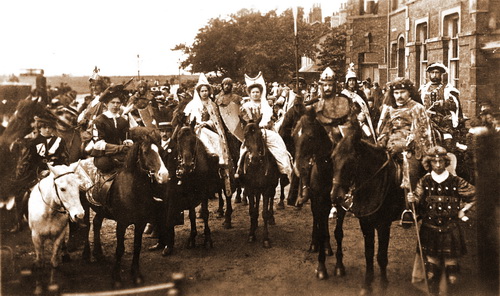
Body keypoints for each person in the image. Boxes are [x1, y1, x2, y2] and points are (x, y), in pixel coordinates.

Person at [407, 146, 475, 295]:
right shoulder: (424, 181)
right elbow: (417, 201)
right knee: (431, 272)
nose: (438, 165)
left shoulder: (456, 181)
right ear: (428, 163)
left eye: (441, 162)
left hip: (451, 229)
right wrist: (412, 199)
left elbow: (475, 195)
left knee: (452, 276)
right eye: (434, 162)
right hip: (429, 229)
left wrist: (464, 210)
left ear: (446, 162)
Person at [236, 73, 293, 184]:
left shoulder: (266, 105)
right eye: (253, 92)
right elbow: (246, 120)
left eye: (257, 92)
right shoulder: (245, 106)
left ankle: (284, 170)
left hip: (266, 131)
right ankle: (240, 171)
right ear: (249, 94)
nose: (255, 94)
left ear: (261, 93)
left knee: (279, 149)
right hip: (252, 133)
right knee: (243, 151)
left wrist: (267, 124)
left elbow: (271, 118)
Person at [377, 78, 433, 191]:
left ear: (409, 92)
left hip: (410, 148)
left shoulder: (417, 108)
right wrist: (382, 140)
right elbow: (385, 129)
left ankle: (410, 203)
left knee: (411, 171)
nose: (399, 96)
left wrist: (406, 144)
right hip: (390, 146)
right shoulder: (390, 109)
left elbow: (421, 133)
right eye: (396, 93)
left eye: (402, 92)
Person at [183, 73, 234, 196]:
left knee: (217, 139)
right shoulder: (192, 105)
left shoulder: (212, 104)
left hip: (208, 129)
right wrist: (195, 125)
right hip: (195, 129)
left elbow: (216, 120)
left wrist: (206, 123)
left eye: (206, 90)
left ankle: (218, 161)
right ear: (199, 92)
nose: (204, 93)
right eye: (202, 91)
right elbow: (188, 120)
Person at [16, 114, 69, 189]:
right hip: (37, 174)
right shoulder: (33, 143)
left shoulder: (60, 141)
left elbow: (64, 160)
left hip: (56, 173)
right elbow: (29, 162)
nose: (47, 130)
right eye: (44, 127)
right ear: (39, 128)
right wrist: (40, 171)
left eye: (49, 127)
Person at [90, 84, 133, 175]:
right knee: (106, 164)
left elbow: (126, 137)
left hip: (120, 153)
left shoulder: (122, 120)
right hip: (103, 155)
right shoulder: (99, 120)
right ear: (106, 104)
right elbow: (98, 144)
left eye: (118, 103)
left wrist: (128, 142)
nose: (115, 105)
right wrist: (118, 148)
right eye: (112, 103)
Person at [419, 62, 463, 146]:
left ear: (441, 74)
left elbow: (456, 106)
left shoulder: (448, 89)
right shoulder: (423, 89)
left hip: (443, 121)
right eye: (432, 73)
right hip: (426, 119)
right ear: (429, 74)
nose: (434, 75)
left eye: (437, 73)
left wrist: (443, 104)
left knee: (447, 139)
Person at [341, 64, 377, 143]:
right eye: (350, 80)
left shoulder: (360, 93)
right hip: (348, 120)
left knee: (369, 135)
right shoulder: (343, 94)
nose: (351, 82)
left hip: (361, 120)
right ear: (347, 82)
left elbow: (365, 106)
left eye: (353, 80)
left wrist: (363, 114)